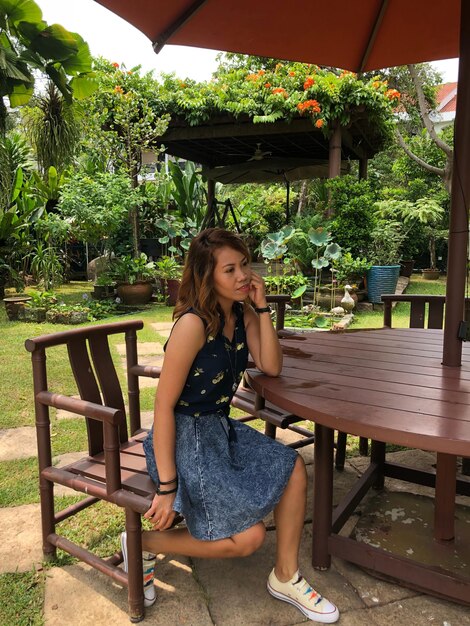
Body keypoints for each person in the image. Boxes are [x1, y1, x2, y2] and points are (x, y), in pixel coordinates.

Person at [120, 228, 339, 624]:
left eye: (245, 265)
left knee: (292, 467)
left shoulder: (241, 314)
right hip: (185, 437)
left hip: (219, 428)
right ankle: (141, 543)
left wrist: (263, 307)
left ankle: (286, 575)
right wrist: (168, 486)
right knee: (250, 537)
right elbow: (164, 406)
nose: (243, 276)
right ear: (207, 276)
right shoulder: (192, 325)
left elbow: (271, 365)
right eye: (230, 269)